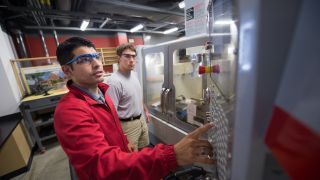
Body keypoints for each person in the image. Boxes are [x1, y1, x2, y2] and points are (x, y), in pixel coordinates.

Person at [54, 37, 215, 180]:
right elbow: (101, 166)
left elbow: (113, 122)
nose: (96, 64)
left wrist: (124, 143)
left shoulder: (101, 93)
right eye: (84, 59)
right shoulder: (70, 111)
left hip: (132, 134)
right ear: (67, 70)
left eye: (96, 56)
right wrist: (172, 156)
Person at [105, 43, 149, 151]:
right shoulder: (114, 82)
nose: (132, 60)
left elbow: (137, 96)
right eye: (127, 56)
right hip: (127, 126)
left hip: (141, 120)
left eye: (133, 56)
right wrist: (122, 138)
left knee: (145, 150)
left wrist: (145, 110)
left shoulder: (134, 75)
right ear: (119, 58)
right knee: (132, 158)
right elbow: (111, 115)